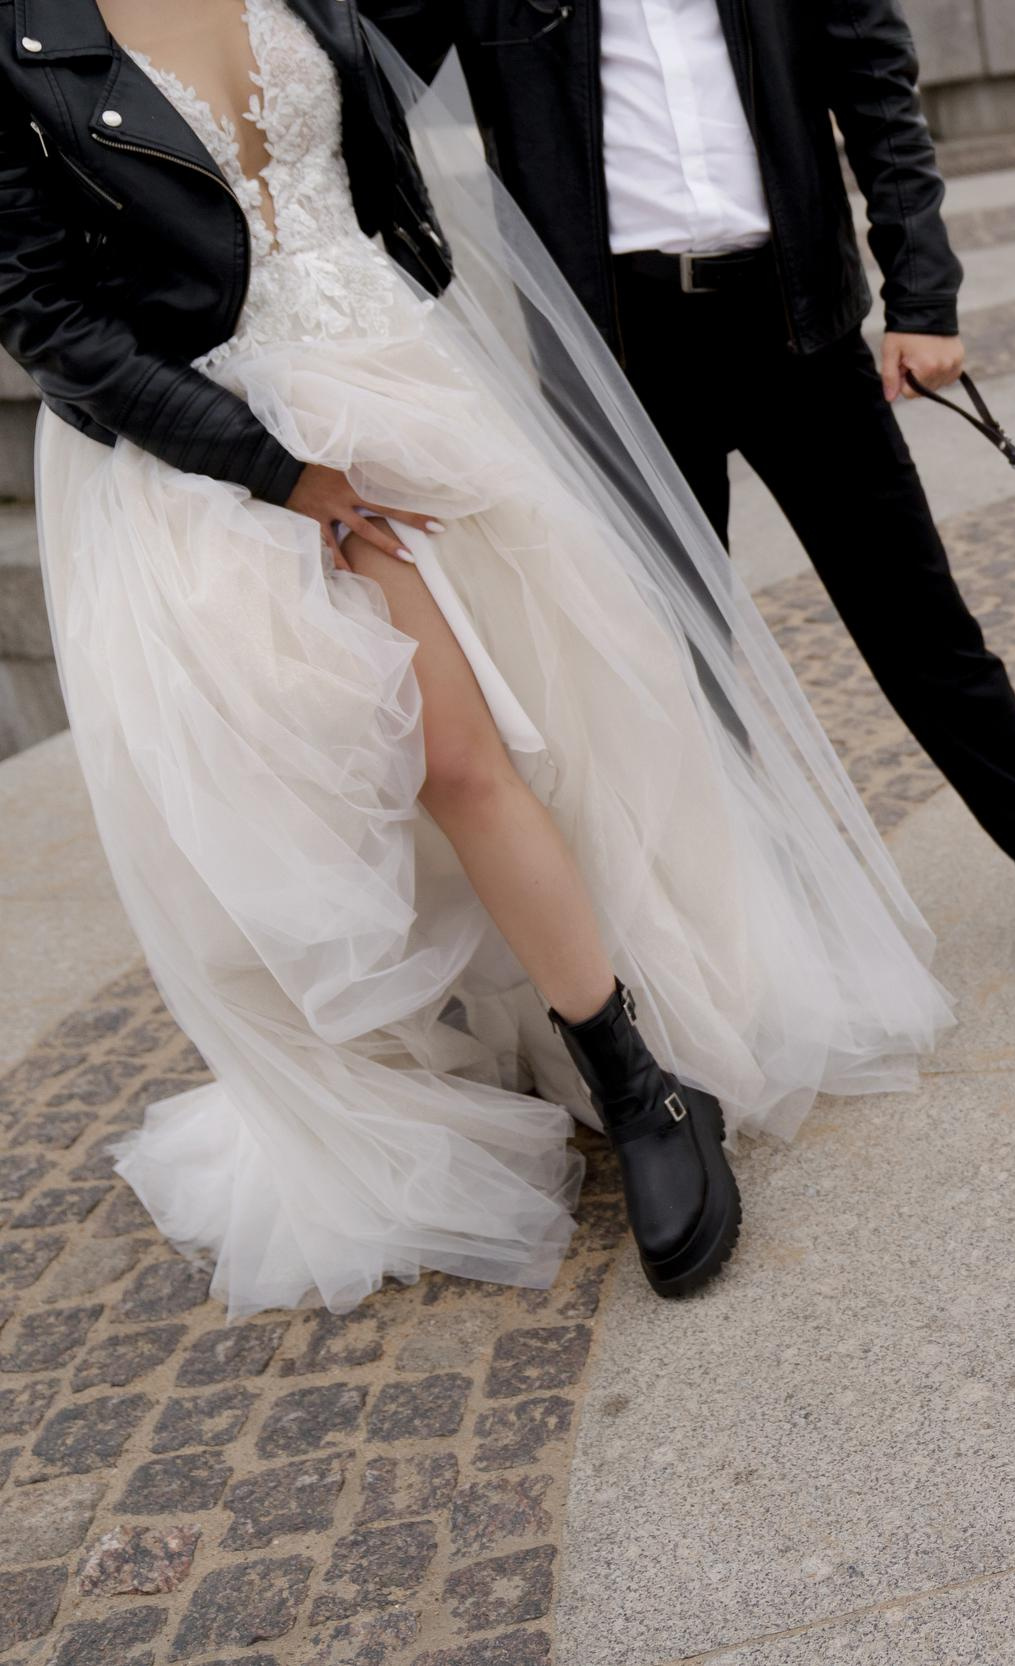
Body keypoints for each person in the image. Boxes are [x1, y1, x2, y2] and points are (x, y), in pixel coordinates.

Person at [0, 0, 955, 1311]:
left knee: (570, 711)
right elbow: (49, 322)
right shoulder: (25, 38)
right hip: (213, 449)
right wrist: (279, 467)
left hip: (400, 382)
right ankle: (631, 1079)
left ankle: (632, 1050)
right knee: (438, 757)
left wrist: (401, 327)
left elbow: (381, 163)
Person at [368, 0, 1015, 955]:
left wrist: (923, 296)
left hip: (795, 325)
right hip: (617, 352)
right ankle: (748, 925)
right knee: (679, 655)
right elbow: (355, 65)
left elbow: (878, 91)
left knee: (923, 623)